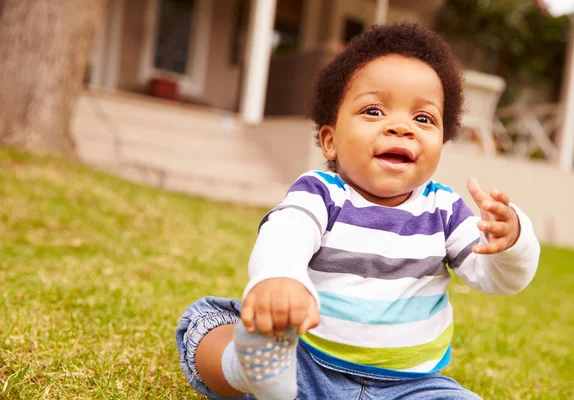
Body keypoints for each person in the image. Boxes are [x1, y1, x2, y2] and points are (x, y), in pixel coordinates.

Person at [176, 23, 540, 400]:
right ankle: (245, 368)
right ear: (330, 141)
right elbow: (287, 231)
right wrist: (279, 277)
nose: (401, 127)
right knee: (208, 324)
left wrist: (511, 242)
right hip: (302, 366)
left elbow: (497, 279)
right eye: (373, 110)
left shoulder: (445, 210)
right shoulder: (322, 193)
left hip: (411, 387)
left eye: (424, 118)